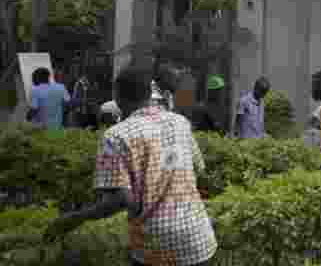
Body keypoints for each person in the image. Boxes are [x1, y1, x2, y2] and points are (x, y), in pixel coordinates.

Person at [44, 66, 217, 265]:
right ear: (149, 93)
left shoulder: (116, 136)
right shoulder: (180, 123)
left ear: (118, 97)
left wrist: (73, 219)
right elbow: (199, 168)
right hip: (198, 240)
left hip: (155, 246)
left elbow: (120, 199)